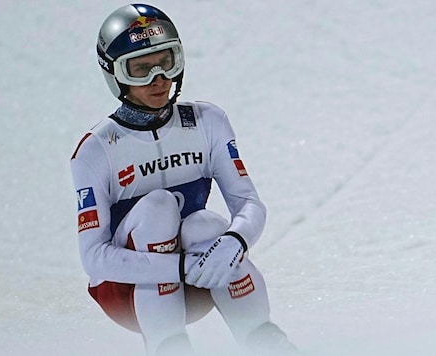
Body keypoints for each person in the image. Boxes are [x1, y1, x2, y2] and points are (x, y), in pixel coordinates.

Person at [70, 4, 296, 355]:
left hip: (194, 277)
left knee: (207, 225)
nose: (158, 80)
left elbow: (248, 203)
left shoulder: (207, 121)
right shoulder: (97, 149)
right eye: (141, 69)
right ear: (115, 74)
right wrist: (175, 265)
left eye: (166, 61)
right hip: (125, 290)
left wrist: (235, 242)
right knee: (159, 206)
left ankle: (265, 342)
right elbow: (94, 257)